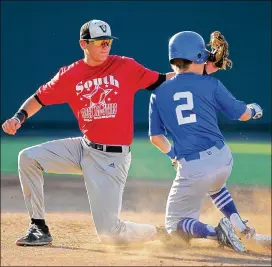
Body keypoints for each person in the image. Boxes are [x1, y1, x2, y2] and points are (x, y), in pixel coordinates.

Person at [2, 19, 179, 246]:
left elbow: (162, 80)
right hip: (84, 148)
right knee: (28, 158)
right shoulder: (70, 74)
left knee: (109, 234)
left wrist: (199, 71)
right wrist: (19, 117)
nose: (106, 46)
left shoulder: (125, 66)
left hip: (112, 158)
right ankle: (39, 228)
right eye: (99, 42)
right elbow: (39, 98)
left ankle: (160, 234)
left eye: (108, 41)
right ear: (83, 44)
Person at [148, 31, 263, 252]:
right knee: (215, 185)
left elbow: (156, 138)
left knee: (174, 226)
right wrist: (255, 110)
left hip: (194, 167)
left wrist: (173, 156)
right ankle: (241, 227)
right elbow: (242, 114)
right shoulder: (211, 84)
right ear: (200, 57)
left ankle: (217, 232)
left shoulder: (158, 93)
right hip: (223, 159)